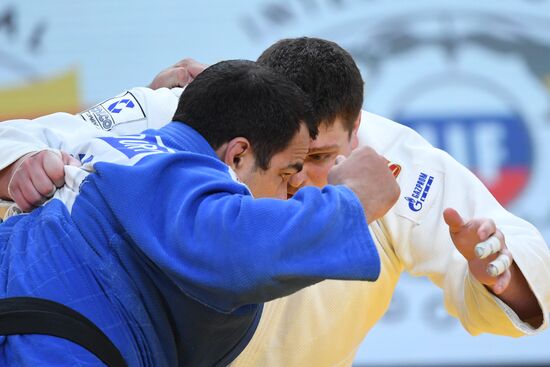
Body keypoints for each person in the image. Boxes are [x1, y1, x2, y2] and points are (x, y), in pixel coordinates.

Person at [1, 38, 549, 366]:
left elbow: (521, 256)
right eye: (290, 163)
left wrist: (497, 274)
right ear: (242, 141)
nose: (300, 185)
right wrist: (20, 165)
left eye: (322, 159)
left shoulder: (400, 163)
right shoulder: (181, 106)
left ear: (358, 128)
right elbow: (26, 137)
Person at [0, 59, 400, 366]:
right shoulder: (175, 175)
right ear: (239, 154)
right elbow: (243, 246)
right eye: (286, 175)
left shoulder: (112, 153)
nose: (290, 194)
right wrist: (352, 200)